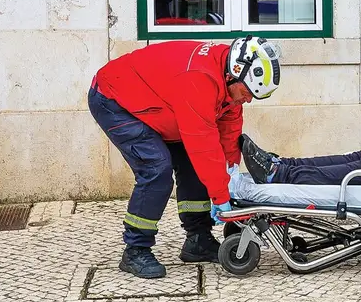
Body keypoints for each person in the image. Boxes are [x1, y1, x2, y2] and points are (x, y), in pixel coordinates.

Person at [87, 35, 282, 279]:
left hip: (160, 102)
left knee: (193, 164)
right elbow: (203, 144)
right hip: (115, 100)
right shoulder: (199, 79)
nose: (249, 99)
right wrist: (219, 195)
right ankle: (135, 250)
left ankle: (198, 240)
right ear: (233, 75)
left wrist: (230, 176)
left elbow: (229, 134)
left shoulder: (230, 79)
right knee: (156, 168)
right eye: (247, 92)